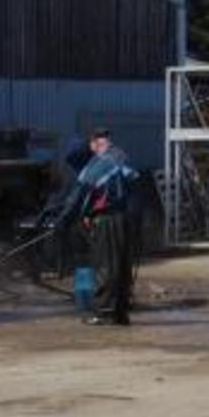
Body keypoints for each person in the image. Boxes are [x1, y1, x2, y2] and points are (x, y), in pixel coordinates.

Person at [61, 129, 139, 325]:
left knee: (105, 267)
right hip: (124, 218)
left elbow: (77, 196)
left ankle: (104, 313)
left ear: (95, 143)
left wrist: (63, 221)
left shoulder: (98, 164)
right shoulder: (121, 157)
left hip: (107, 220)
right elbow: (134, 187)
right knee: (121, 267)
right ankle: (119, 313)